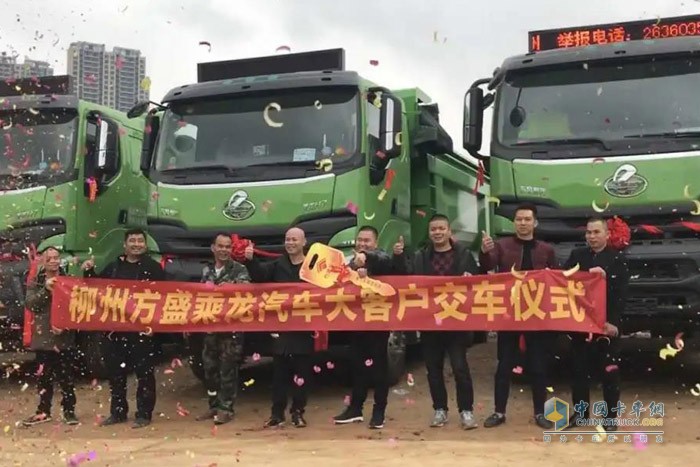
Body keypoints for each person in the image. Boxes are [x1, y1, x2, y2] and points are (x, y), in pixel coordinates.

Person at [479, 203, 558, 430]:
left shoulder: (546, 250)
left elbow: (558, 281)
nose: (522, 223)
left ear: (535, 222)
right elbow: (487, 266)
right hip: (509, 315)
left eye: (527, 219)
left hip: (538, 316)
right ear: (514, 223)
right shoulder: (502, 246)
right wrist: (484, 251)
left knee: (538, 366)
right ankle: (499, 411)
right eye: (519, 220)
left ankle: (540, 413)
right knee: (504, 365)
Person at [399, 214, 480, 429]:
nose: (437, 232)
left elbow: (478, 281)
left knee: (460, 368)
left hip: (457, 322)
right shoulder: (420, 257)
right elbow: (406, 279)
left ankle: (466, 411)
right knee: (433, 369)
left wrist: (469, 277)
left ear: (449, 231)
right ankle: (440, 410)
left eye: (441, 228)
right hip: (430, 323)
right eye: (433, 229)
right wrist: (398, 257)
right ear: (429, 233)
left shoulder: (464, 255)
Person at [81, 228, 166, 429]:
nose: (136, 244)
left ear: (145, 245)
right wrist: (88, 271)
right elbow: (97, 289)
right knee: (116, 374)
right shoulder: (113, 267)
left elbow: (164, 298)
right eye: (132, 241)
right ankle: (117, 412)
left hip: (142, 331)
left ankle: (144, 414)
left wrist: (154, 325)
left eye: (140, 241)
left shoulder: (153, 268)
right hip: (115, 332)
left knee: (144, 374)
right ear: (124, 245)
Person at [332, 226, 404, 429]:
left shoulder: (380, 258)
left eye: (367, 241)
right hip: (356, 322)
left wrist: (366, 259)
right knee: (357, 367)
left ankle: (379, 412)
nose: (362, 244)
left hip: (378, 322)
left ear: (376, 243)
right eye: (359, 241)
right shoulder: (349, 263)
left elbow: (383, 261)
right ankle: (355, 409)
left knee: (379, 370)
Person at [564, 217, 629, 432]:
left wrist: (614, 324)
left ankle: (610, 418)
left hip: (606, 327)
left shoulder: (618, 258)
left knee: (609, 372)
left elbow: (622, 296)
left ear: (607, 234)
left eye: (596, 232)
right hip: (581, 326)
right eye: (589, 233)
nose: (592, 236)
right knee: (578, 372)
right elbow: (563, 284)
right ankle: (581, 415)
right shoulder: (576, 256)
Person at [244, 227, 313, 428]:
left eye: (294, 239)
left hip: (304, 327)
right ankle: (277, 414)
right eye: (287, 239)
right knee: (279, 375)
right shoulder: (277, 264)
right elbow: (259, 276)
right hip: (281, 329)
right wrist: (250, 260)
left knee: (302, 374)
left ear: (304, 242)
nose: (290, 243)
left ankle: (298, 412)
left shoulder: (313, 266)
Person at [195, 233, 251, 425]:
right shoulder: (206, 269)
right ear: (213, 248)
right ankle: (213, 406)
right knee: (209, 369)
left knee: (228, 369)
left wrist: (226, 288)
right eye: (220, 246)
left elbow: (245, 292)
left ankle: (226, 408)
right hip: (210, 329)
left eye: (228, 246)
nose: (224, 250)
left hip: (231, 329)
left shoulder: (239, 269)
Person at [22, 246, 78, 427]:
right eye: (50, 258)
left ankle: (69, 411)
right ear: (43, 261)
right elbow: (30, 304)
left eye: (56, 257)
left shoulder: (68, 280)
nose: (53, 261)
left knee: (67, 378)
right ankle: (43, 410)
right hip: (43, 337)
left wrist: (65, 325)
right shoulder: (36, 281)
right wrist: (45, 290)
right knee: (44, 377)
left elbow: (76, 307)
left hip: (64, 337)